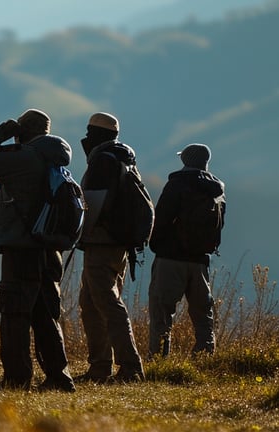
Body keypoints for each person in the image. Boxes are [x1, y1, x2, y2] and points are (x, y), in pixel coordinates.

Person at [0, 109, 75, 392]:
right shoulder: (55, 159)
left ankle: (16, 379)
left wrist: (0, 130)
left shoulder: (25, 157)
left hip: (21, 247)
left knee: (14, 315)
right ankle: (59, 378)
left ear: (23, 131)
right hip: (49, 248)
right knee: (45, 315)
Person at [75, 112, 145, 383]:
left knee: (105, 303)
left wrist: (79, 234)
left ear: (95, 134)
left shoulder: (102, 161)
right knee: (93, 303)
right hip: (118, 243)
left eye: (89, 131)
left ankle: (129, 367)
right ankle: (101, 367)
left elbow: (92, 204)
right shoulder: (123, 159)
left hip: (101, 242)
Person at [147, 143, 225, 357]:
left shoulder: (177, 184)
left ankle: (158, 358)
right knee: (202, 313)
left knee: (162, 310)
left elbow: (161, 218)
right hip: (201, 259)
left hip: (170, 257)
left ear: (185, 161)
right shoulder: (217, 190)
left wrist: (156, 245)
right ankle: (205, 355)